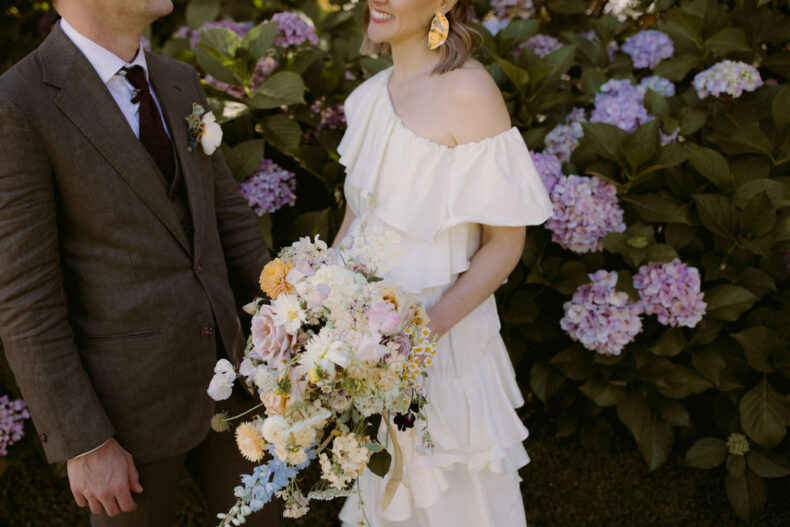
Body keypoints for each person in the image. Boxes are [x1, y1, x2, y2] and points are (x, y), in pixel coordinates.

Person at [0, 1, 277, 525]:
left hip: (236, 387)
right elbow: (25, 299)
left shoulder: (178, 81)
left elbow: (232, 224)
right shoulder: (20, 102)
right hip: (126, 417)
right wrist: (85, 441)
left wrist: (299, 327)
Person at [331, 1, 554, 526]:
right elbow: (356, 218)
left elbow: (504, 243)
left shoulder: (468, 92)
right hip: (370, 358)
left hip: (443, 355)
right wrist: (316, 311)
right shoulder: (366, 98)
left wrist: (421, 335)